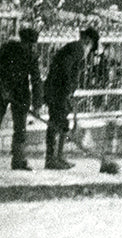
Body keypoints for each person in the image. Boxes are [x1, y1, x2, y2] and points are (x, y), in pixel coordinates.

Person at [43, 27, 100, 170]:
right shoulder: (78, 49)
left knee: (60, 122)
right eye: (91, 46)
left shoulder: (73, 48)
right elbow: (65, 68)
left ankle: (57, 157)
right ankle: (52, 159)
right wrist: (68, 89)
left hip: (58, 90)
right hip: (59, 92)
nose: (89, 52)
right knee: (57, 123)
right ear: (88, 41)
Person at [0, 27, 43, 170]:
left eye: (33, 45)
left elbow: (36, 80)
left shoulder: (32, 55)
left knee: (20, 128)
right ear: (23, 41)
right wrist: (0, 89)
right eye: (29, 44)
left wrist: (37, 104)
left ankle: (18, 160)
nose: (30, 47)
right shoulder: (8, 49)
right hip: (2, 91)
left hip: (20, 93)